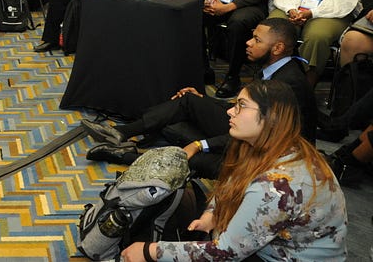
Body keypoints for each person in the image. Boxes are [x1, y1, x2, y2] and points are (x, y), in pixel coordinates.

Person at [120, 80, 347, 262]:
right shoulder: (274, 145)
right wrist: (212, 213)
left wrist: (150, 251)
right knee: (180, 198)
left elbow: (226, 253)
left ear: (271, 117)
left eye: (241, 105)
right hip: (272, 245)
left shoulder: (278, 186)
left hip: (280, 256)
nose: (230, 111)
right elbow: (229, 183)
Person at [85, 18, 317, 178]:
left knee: (188, 149)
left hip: (266, 156)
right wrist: (204, 101)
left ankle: (125, 155)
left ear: (277, 48)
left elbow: (261, 135)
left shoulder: (288, 84)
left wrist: (201, 145)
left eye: (257, 40)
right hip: (251, 134)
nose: (248, 42)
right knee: (188, 104)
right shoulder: (273, 68)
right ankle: (122, 133)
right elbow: (245, 112)